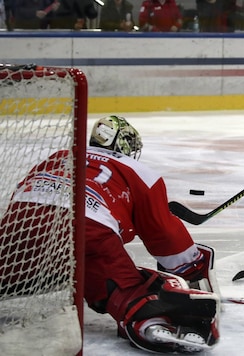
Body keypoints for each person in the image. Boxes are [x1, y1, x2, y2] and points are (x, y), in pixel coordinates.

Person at [0, 116, 220, 352]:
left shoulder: (60, 156)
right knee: (126, 287)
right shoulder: (138, 170)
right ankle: (149, 320)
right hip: (88, 228)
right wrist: (192, 268)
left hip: (20, 223)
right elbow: (165, 235)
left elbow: (21, 194)